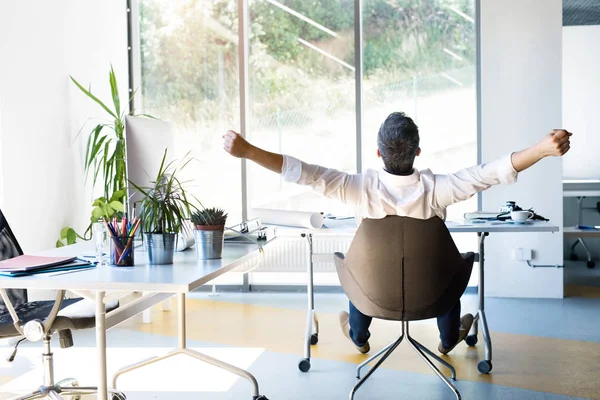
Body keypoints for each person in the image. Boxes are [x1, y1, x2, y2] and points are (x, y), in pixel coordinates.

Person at [222, 111, 572, 355]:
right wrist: (542, 149)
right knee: (450, 265)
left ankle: (359, 335)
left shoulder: (357, 188)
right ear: (418, 151)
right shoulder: (439, 189)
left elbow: (303, 173)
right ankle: (448, 337)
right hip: (432, 296)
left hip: (375, 296)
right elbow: (492, 173)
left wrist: (247, 151)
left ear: (378, 153)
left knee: (358, 266)